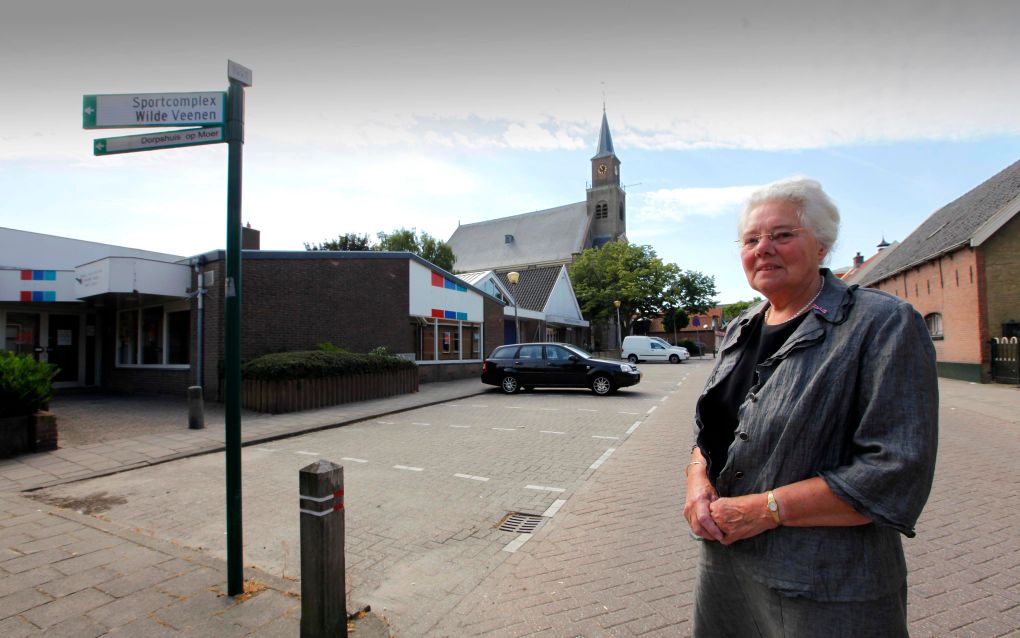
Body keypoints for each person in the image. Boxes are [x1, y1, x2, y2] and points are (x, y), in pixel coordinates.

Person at [683, 177, 938, 637]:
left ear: (822, 246)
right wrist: (697, 481)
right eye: (751, 239)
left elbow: (894, 470)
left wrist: (762, 510)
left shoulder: (882, 324)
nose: (763, 248)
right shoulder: (741, 327)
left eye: (782, 235)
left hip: (824, 585)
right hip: (728, 569)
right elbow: (714, 432)